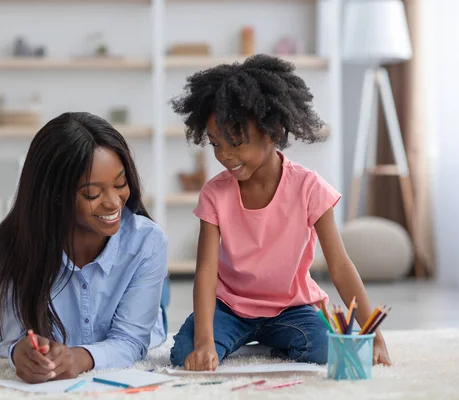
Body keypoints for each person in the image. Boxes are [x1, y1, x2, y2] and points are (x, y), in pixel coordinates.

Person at [168, 54, 392, 371]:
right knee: (184, 354)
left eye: (236, 142)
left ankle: (270, 341)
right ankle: (243, 341)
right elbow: (205, 272)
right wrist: (204, 343)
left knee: (330, 352)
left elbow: (340, 266)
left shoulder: (310, 188)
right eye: (216, 143)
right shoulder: (215, 193)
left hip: (293, 307)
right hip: (229, 307)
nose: (225, 155)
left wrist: (374, 335)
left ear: (273, 131)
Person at [0, 111, 170, 384]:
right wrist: (18, 351)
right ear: (55, 195)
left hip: (142, 279)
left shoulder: (147, 243)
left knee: (155, 305)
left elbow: (130, 341)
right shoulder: (12, 246)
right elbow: (11, 336)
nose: (114, 202)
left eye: (121, 184)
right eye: (93, 194)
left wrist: (79, 358)